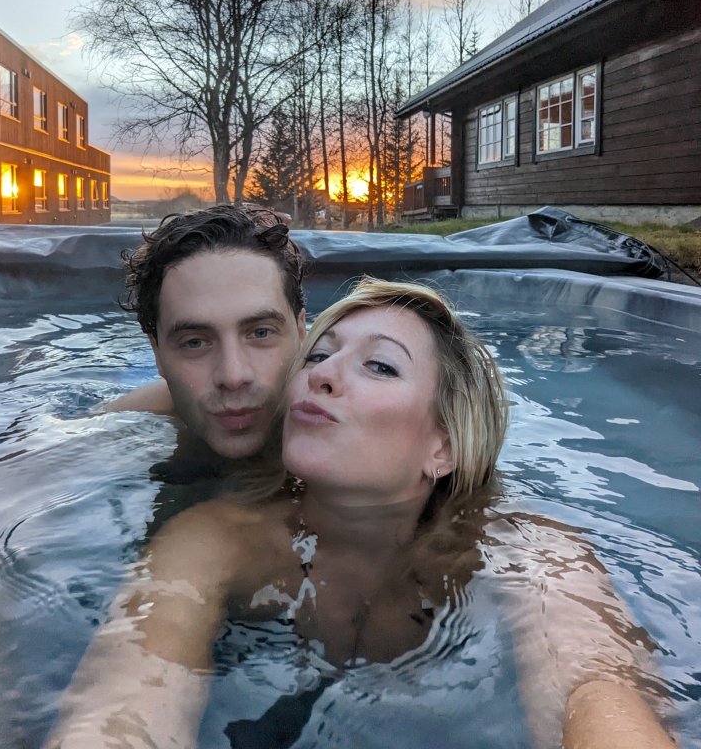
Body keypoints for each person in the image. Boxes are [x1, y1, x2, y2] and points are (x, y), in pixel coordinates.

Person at [44, 278, 674, 749]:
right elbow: (129, 692)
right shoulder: (220, 536)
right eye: (318, 355)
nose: (321, 376)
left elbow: (597, 688)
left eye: (379, 365)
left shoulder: (530, 551)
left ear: (444, 446)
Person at [106, 204, 307, 473]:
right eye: (195, 342)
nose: (233, 377)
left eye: (261, 332)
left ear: (302, 333)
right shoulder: (112, 429)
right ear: (157, 354)